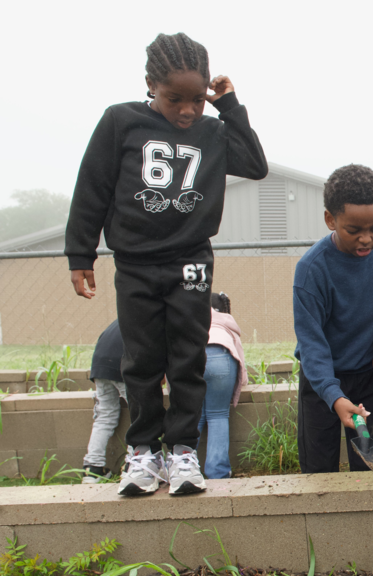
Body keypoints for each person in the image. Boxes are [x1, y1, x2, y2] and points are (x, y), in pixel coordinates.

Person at [65, 33, 268, 497]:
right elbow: (92, 187)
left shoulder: (213, 131)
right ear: (150, 85)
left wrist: (230, 105)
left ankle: (182, 451)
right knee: (140, 359)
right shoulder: (121, 122)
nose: (187, 110)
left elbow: (255, 165)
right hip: (135, 263)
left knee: (187, 356)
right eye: (174, 99)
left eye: (197, 99)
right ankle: (143, 452)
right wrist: (81, 254)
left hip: (190, 261)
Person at [293, 164, 373, 473]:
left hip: (368, 380)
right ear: (330, 219)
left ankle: (367, 523)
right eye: (354, 230)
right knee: (319, 468)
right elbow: (312, 344)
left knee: (369, 465)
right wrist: (333, 395)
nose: (366, 239)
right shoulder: (312, 270)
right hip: (321, 382)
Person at [198, 292, 248, 478]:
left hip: (194, 357)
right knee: (218, 415)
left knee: (194, 415)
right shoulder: (227, 322)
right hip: (222, 356)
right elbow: (239, 354)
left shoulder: (192, 317)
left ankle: (185, 470)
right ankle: (217, 472)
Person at [82, 321, 126, 483]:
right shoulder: (154, 313)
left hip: (100, 365)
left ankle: (92, 468)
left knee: (105, 416)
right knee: (141, 415)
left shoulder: (122, 316)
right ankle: (132, 465)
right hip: (123, 362)